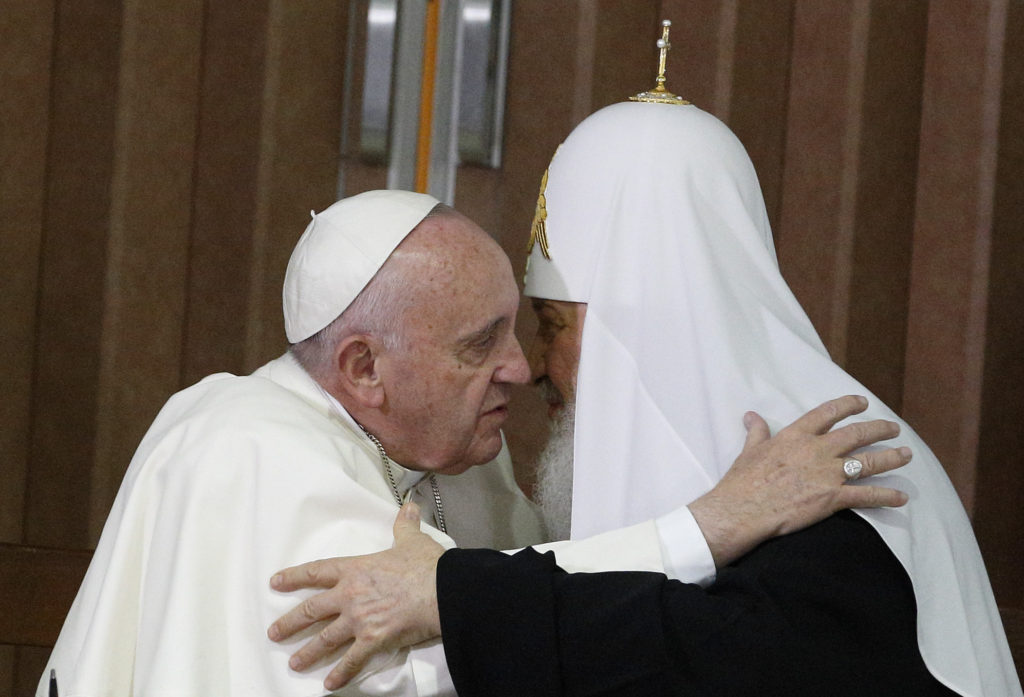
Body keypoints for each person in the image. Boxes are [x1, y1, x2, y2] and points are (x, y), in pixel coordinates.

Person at [267, 102, 1021, 696]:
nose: (533, 368)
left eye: (553, 325)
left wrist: (450, 596)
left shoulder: (834, 467)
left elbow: (702, 657)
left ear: (644, 335)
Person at [38, 190, 906, 697]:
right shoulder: (253, 450)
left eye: (520, 332)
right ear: (364, 366)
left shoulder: (458, 454)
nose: (521, 371)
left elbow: (537, 599)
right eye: (477, 345)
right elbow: (460, 647)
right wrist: (712, 522)